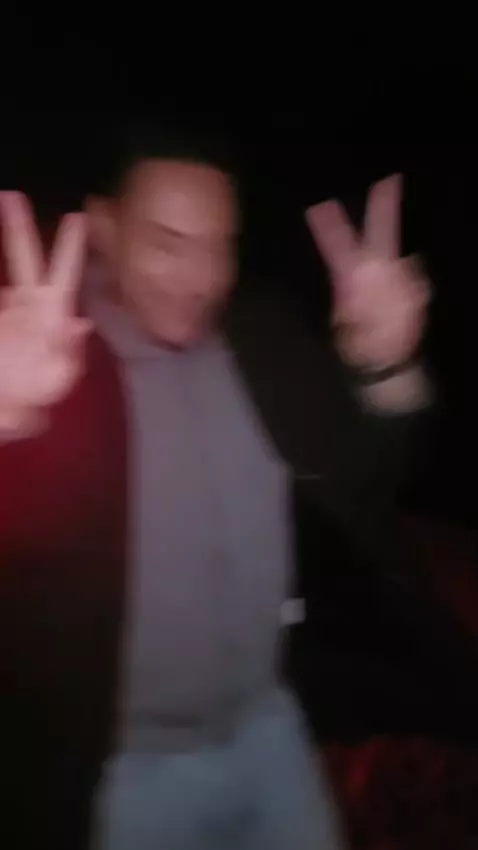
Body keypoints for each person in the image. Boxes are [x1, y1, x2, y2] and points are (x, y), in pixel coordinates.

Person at [0, 124, 431, 850]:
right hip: (128, 772)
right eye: (169, 243)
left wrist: (387, 368)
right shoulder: (52, 373)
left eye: (217, 246)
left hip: (269, 728)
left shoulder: (261, 340)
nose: (201, 277)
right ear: (104, 228)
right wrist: (6, 416)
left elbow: (373, 475)